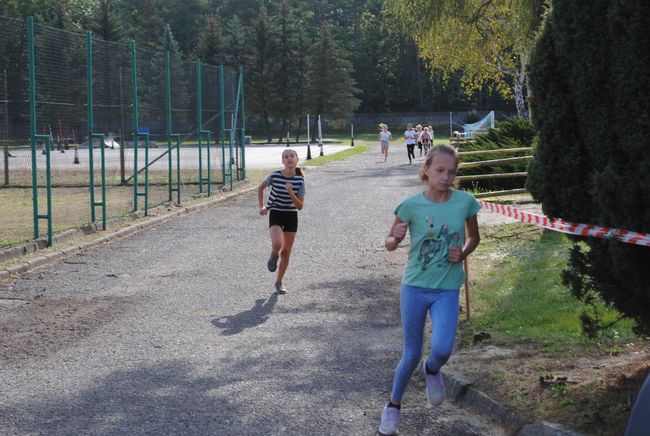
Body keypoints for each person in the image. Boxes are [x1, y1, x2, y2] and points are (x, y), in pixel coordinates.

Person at [378, 144, 481, 435]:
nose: (446, 177)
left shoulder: (465, 202)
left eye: (451, 172)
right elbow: (389, 242)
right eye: (440, 170)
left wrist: (462, 252)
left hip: (447, 288)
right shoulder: (410, 205)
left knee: (442, 349)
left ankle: (432, 370)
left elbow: (474, 237)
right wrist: (394, 238)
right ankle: (393, 407)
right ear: (426, 170)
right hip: (414, 287)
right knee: (410, 354)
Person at [257, 148, 306, 294]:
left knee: (286, 252)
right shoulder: (275, 176)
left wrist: (291, 192)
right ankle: (273, 255)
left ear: (297, 159)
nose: (289, 158)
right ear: (282, 161)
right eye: (286, 157)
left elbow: (300, 206)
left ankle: (279, 282)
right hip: (276, 213)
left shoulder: (300, 180)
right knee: (277, 244)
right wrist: (262, 206)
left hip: (291, 215)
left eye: (292, 156)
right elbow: (260, 188)